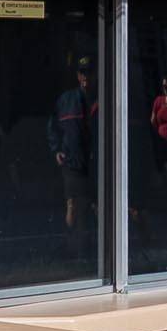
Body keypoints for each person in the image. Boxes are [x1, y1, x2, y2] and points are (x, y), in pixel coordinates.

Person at [48, 56, 98, 230]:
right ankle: (73, 247)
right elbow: (53, 125)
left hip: (97, 163)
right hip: (73, 161)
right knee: (73, 204)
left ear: (96, 75)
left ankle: (94, 246)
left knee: (97, 205)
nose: (86, 76)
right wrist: (56, 150)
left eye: (90, 72)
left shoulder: (105, 98)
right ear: (78, 76)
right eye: (82, 73)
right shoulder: (66, 100)